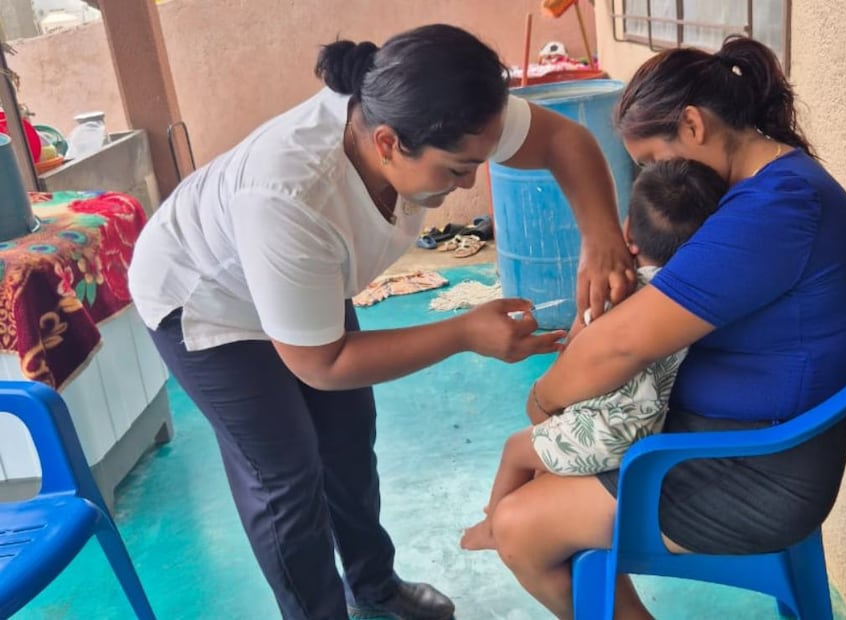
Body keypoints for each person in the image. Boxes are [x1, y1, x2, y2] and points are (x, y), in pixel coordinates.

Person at [127, 24, 634, 620]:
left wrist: (602, 238)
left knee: (347, 438)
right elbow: (323, 362)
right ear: (389, 143)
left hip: (302, 282)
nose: (472, 181)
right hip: (206, 302)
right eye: (456, 170)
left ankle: (375, 589)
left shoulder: (432, 108)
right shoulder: (292, 198)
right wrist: (465, 332)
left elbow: (563, 140)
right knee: (285, 476)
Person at [487, 35, 846, 620]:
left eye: (650, 161)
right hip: (719, 437)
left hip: (753, 472)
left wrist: (543, 400)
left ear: (692, 125)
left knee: (518, 527)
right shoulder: (764, 191)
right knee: (543, 469)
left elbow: (615, 347)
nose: (653, 177)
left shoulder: (776, 211)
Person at [460, 158, 727, 552]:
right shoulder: (690, 299)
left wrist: (576, 324)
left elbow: (578, 354)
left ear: (628, 235)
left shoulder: (620, 291)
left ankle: (492, 524)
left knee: (516, 448)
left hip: (603, 434)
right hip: (645, 434)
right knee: (541, 449)